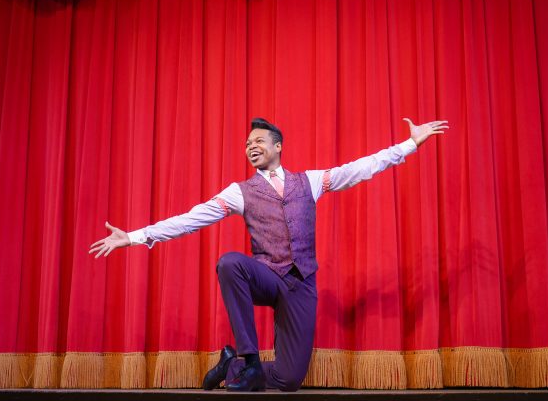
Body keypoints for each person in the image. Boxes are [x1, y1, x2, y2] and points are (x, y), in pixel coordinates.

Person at [90, 117, 448, 392]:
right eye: (247, 143)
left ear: (278, 147)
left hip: (301, 285)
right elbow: (190, 220)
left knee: (290, 380)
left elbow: (360, 168)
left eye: (259, 141)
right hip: (265, 276)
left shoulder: (310, 181)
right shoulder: (240, 192)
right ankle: (248, 360)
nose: (251, 146)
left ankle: (231, 363)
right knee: (229, 262)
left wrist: (409, 144)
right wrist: (136, 237)